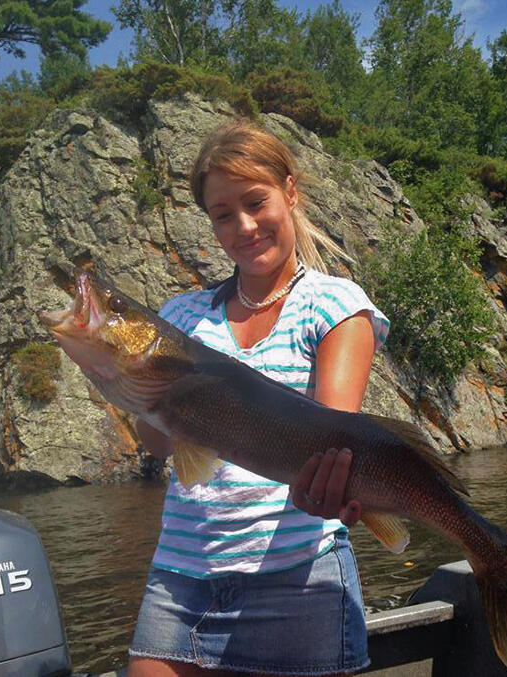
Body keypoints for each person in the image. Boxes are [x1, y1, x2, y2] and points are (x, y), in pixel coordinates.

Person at [128, 120, 389, 677]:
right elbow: (158, 444)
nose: (243, 225)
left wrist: (338, 491)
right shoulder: (179, 319)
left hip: (300, 578)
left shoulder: (336, 305)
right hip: (181, 577)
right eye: (223, 214)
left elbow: (334, 444)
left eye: (255, 202)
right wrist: (114, 376)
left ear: (289, 193)